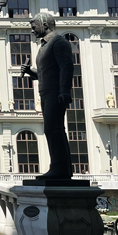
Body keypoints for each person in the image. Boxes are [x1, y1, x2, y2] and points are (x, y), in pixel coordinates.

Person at [21, 12, 74, 180]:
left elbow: (66, 67)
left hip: (55, 93)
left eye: (34, 27)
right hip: (46, 92)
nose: (32, 30)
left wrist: (64, 90)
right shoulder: (44, 45)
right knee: (52, 129)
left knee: (54, 129)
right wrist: (30, 71)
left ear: (44, 25)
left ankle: (60, 169)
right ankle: (61, 168)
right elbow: (46, 73)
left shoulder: (58, 42)